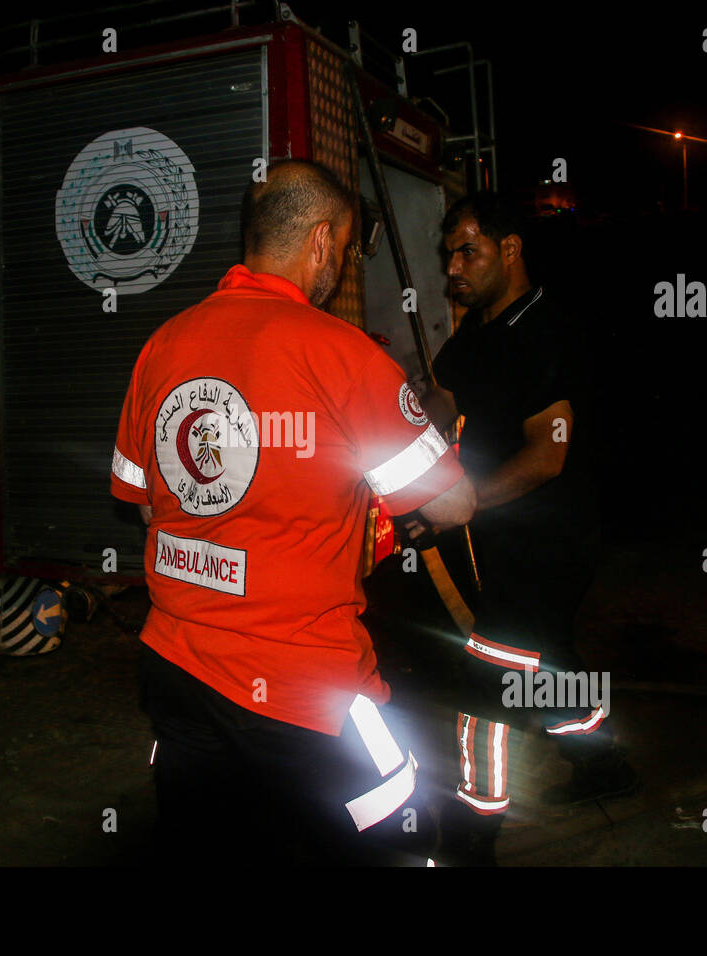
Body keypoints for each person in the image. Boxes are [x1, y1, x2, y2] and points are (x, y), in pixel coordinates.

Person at [110, 159, 478, 865]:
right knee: (400, 838)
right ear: (319, 242)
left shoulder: (163, 344)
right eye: (339, 253)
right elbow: (452, 502)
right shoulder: (342, 354)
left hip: (174, 666)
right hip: (308, 692)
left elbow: (145, 506)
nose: (336, 270)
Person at [412, 193, 638, 865]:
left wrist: (460, 503)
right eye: (449, 253)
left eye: (468, 252)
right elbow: (441, 397)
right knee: (547, 665)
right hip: (497, 536)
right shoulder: (478, 331)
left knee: (487, 673)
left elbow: (549, 454)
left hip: (551, 539)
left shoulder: (550, 331)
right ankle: (604, 765)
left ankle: (473, 829)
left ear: (510, 250)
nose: (454, 267)